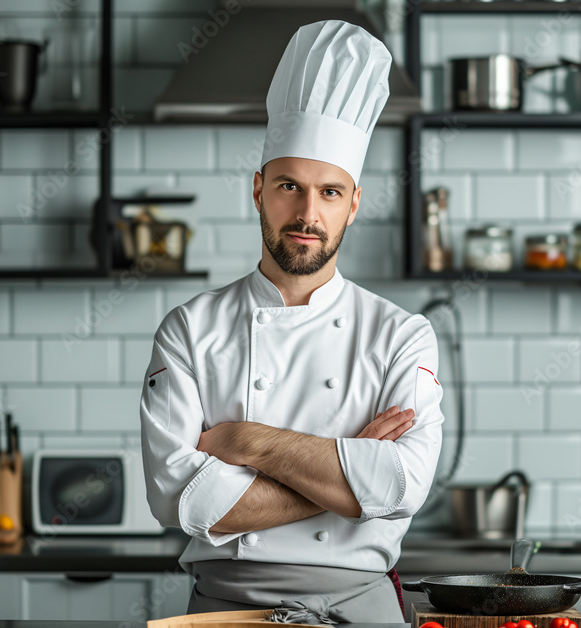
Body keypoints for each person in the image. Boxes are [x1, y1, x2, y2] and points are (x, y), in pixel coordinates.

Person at [139, 20, 445, 621]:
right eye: (289, 186)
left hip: (360, 609)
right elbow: (178, 497)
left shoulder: (401, 334)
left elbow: (402, 487)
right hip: (225, 610)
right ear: (258, 191)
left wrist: (247, 442)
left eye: (330, 192)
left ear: (354, 204)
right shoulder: (189, 329)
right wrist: (351, 466)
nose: (308, 213)